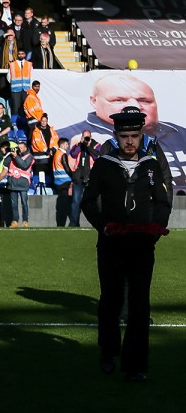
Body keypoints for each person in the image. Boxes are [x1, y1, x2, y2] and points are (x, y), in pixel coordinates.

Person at [81, 107, 171, 382]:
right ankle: (108, 352)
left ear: (141, 134)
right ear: (116, 136)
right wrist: (103, 226)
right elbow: (87, 201)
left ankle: (135, 365)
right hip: (111, 243)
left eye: (134, 135)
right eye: (124, 136)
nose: (130, 141)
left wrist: (154, 230)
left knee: (139, 304)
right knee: (111, 300)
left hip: (142, 245)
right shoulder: (104, 164)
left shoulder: (151, 164)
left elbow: (163, 202)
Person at [0, 140, 34, 228]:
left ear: (25, 148)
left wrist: (16, 157)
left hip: (23, 184)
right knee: (14, 205)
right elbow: (4, 172)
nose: (19, 149)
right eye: (19, 148)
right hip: (13, 184)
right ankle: (15, 221)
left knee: (24, 203)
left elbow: (24, 165)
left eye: (21, 148)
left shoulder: (29, 156)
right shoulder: (10, 158)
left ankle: (25, 221)